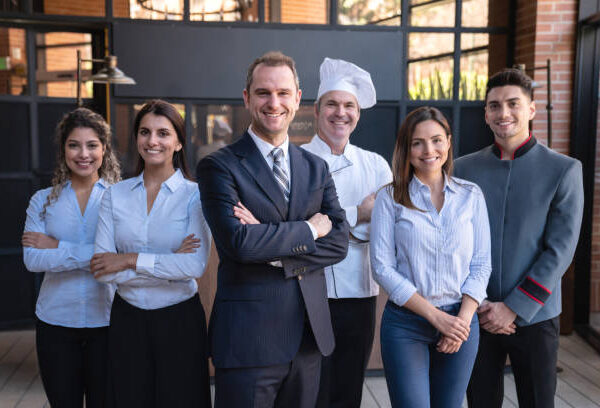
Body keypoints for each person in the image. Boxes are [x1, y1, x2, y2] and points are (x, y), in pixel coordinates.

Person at [197, 51, 349, 408]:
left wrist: (274, 251)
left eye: (283, 93)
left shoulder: (315, 168)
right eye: (264, 92)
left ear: (298, 98)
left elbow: (339, 241)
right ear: (247, 98)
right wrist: (309, 231)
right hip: (249, 341)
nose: (274, 102)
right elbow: (239, 244)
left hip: (308, 339)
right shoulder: (219, 167)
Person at [454, 69, 584, 408]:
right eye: (494, 106)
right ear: (485, 114)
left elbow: (560, 250)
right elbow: (455, 240)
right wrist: (478, 303)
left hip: (535, 315)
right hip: (476, 313)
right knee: (480, 401)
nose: (503, 113)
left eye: (513, 103)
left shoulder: (564, 170)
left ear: (532, 109)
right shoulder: (462, 169)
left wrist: (513, 307)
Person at [91, 100, 211, 408]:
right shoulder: (114, 195)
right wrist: (168, 261)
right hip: (127, 319)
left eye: (163, 133)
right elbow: (103, 267)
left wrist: (129, 258)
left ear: (179, 142)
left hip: (179, 322)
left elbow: (193, 265)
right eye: (145, 132)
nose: (152, 141)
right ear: (136, 139)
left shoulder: (195, 196)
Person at [370, 106, 492, 408]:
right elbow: (382, 268)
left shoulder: (471, 195)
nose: (429, 150)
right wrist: (436, 317)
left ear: (448, 142)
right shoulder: (390, 197)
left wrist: (460, 322)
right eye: (417, 142)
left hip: (461, 319)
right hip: (405, 323)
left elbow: (481, 264)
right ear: (406, 148)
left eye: (437, 140)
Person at [302, 57, 392, 408]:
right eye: (333, 104)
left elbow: (388, 227)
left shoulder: (376, 165)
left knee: (349, 386)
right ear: (316, 109)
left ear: (358, 112)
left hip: (359, 292)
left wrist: (331, 224)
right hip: (308, 292)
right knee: (311, 387)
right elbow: (297, 227)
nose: (341, 113)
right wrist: (359, 214)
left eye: (349, 106)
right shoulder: (296, 160)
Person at [22, 107, 121, 408]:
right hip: (55, 323)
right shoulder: (42, 201)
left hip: (107, 322)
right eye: (74, 145)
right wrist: (96, 255)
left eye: (92, 145)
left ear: (104, 149)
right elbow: (33, 260)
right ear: (63, 149)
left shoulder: (121, 199)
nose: (83, 154)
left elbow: (120, 258)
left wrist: (57, 246)